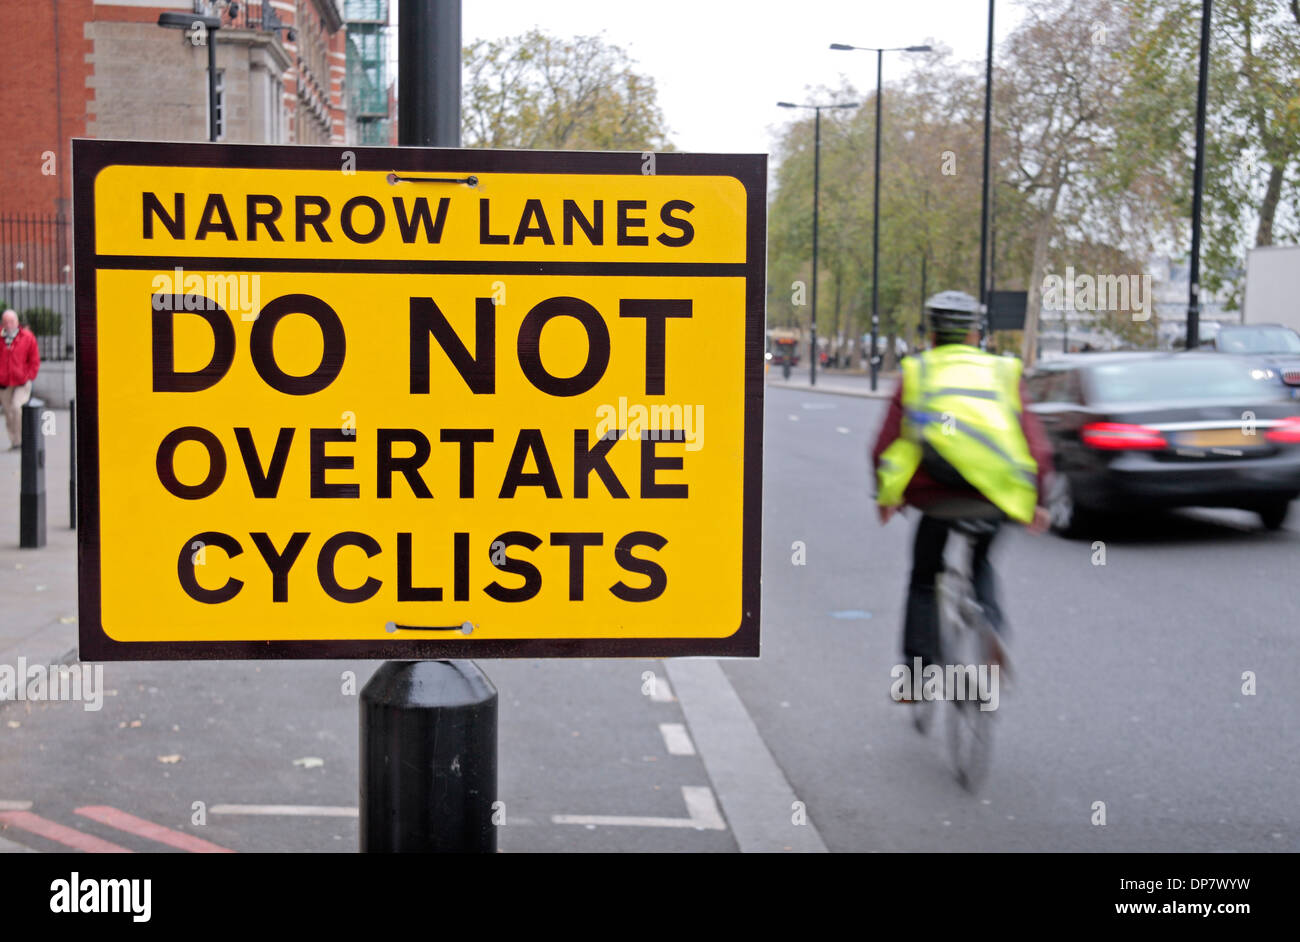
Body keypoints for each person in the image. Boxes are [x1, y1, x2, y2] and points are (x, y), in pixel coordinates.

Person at [871, 290, 1053, 698]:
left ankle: (917, 678)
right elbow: (1034, 443)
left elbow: (885, 444)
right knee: (982, 562)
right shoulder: (1004, 372)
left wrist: (887, 496)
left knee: (924, 576)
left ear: (932, 334)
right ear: (975, 334)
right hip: (996, 493)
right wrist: (1038, 499)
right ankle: (989, 624)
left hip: (936, 494)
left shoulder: (917, 372)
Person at [0, 309, 41, 451]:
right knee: (8, 412)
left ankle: (22, 440)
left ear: (17, 323)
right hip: (4, 382)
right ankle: (15, 441)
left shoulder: (27, 337)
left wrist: (29, 375)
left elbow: (34, 359)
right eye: (6, 322)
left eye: (11, 321)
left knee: (17, 407)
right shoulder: (0, 338)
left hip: (22, 381)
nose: (8, 324)